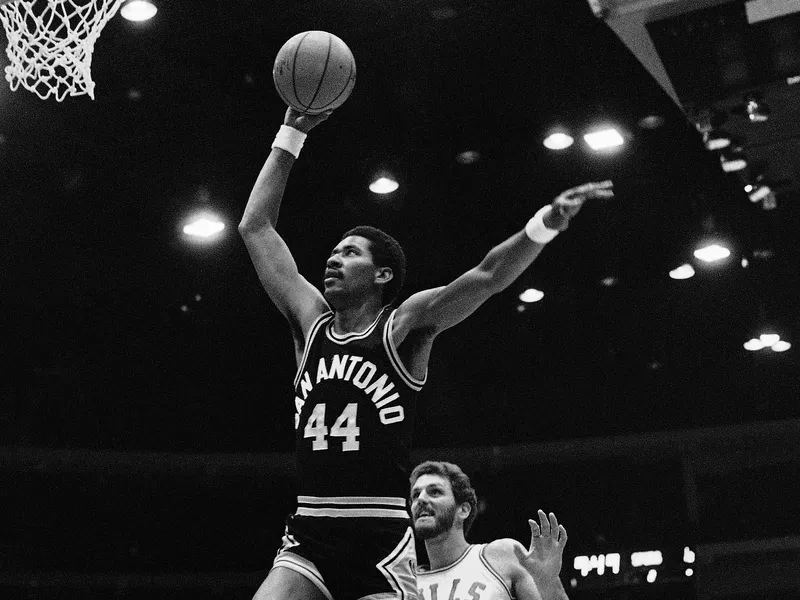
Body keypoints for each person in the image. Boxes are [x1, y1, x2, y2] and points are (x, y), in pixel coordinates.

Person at [238, 106, 611, 600]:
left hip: (379, 538)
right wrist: (293, 132)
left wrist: (543, 224)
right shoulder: (310, 322)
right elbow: (255, 227)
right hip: (309, 532)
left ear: (383, 275)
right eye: (334, 250)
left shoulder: (403, 327)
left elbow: (486, 277)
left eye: (351, 252)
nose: (333, 257)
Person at [410, 461, 569, 600]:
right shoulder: (406, 582)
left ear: (463, 510)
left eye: (435, 492)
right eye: (416, 494)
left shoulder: (501, 556)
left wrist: (548, 583)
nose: (421, 499)